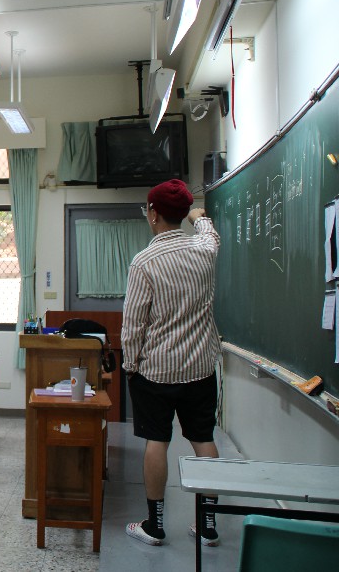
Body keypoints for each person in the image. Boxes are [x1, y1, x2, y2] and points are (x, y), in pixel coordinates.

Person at [123, 179, 222, 548]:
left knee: (157, 441)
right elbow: (210, 233)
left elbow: (134, 324)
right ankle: (208, 526)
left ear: (153, 213)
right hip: (200, 368)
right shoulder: (205, 250)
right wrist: (199, 216)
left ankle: (155, 524)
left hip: (157, 372)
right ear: (180, 214)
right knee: (203, 439)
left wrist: (130, 365)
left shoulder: (145, 262)